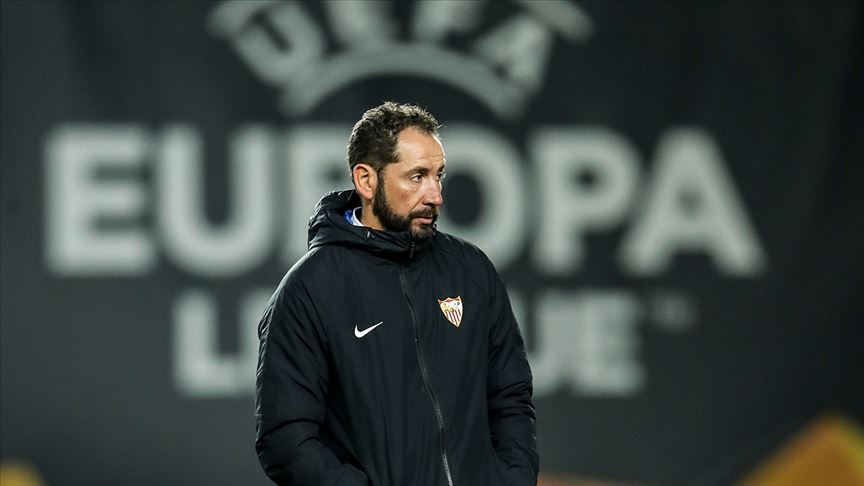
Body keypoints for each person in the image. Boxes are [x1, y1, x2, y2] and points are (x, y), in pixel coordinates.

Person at [255, 102, 538, 486]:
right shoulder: (310, 289)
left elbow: (511, 397)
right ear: (366, 181)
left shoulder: (471, 270)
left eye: (439, 176)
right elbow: (285, 439)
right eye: (417, 177)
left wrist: (512, 480)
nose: (435, 195)